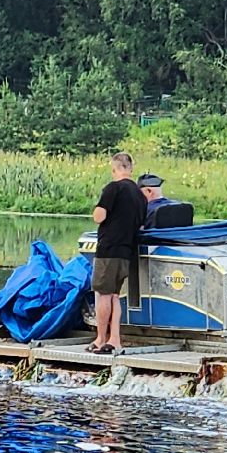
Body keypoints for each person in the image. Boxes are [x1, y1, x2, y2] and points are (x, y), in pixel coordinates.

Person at [89, 151, 145, 354]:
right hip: (126, 252)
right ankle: (115, 340)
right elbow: (140, 226)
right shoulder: (140, 195)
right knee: (114, 295)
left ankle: (101, 339)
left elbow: (98, 216)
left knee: (103, 294)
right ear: (131, 168)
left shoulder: (113, 188)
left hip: (109, 249)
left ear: (115, 169)